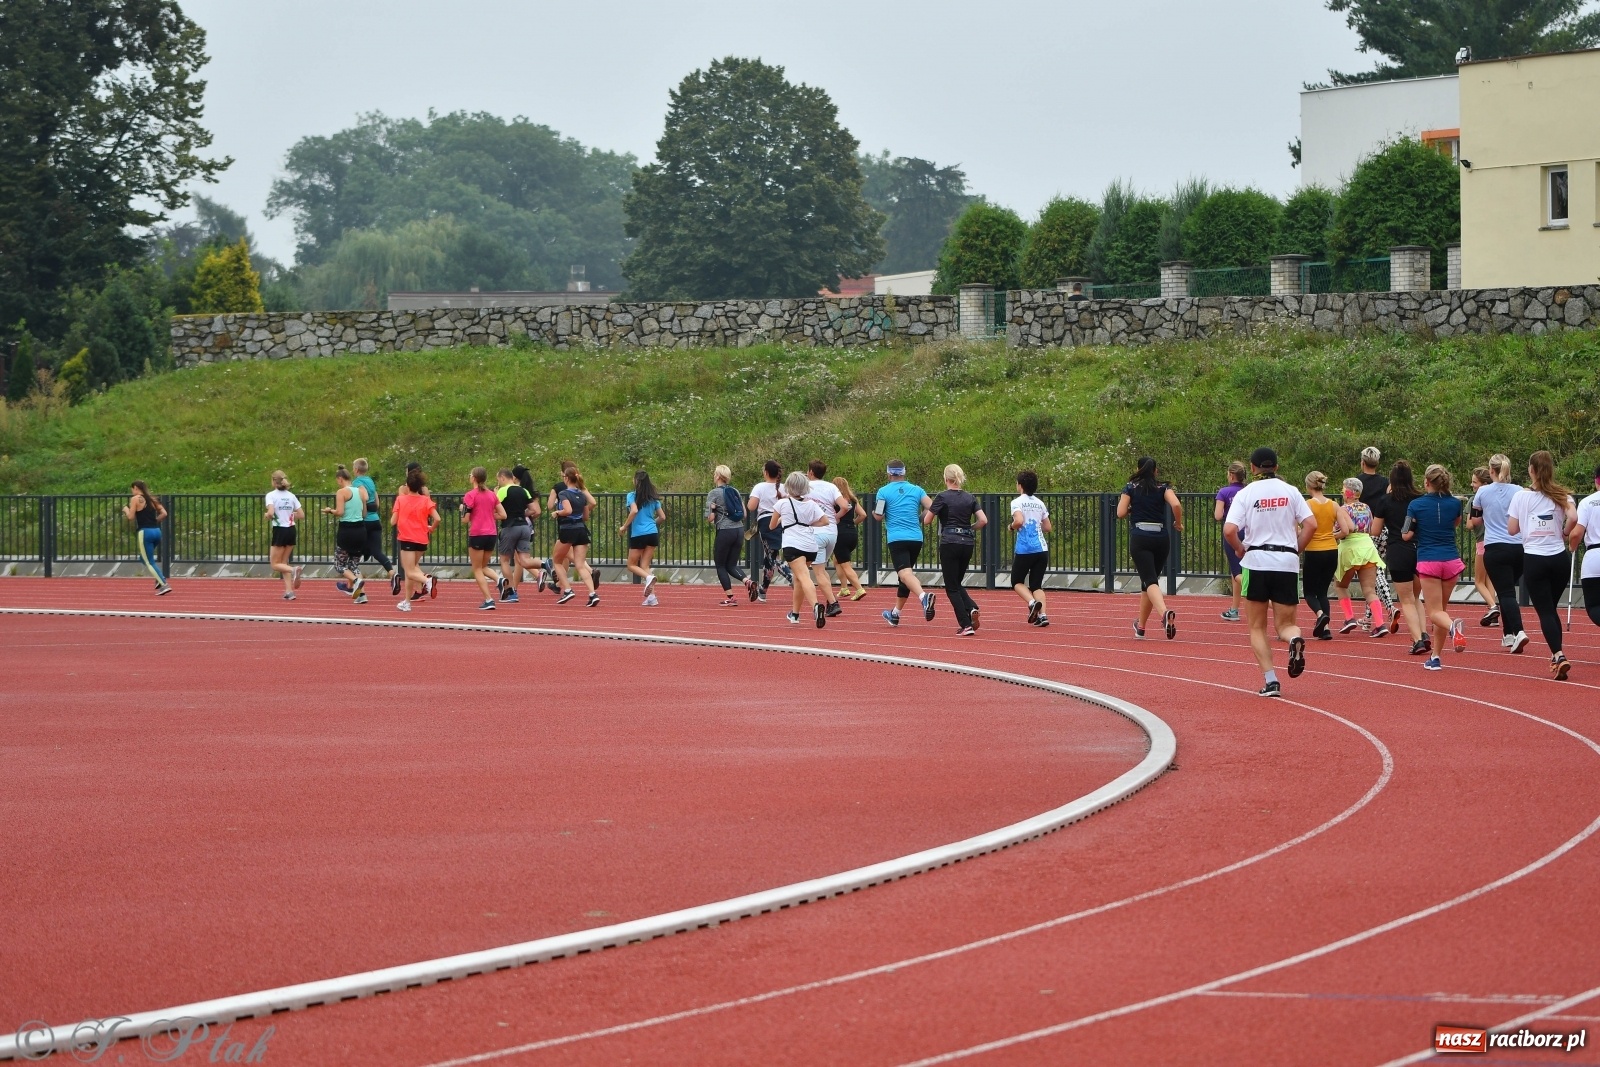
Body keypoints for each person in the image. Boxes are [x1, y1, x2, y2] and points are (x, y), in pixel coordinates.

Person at [1223, 447, 1316, 698]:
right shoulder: (1291, 491)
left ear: (1252, 468)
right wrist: (1296, 549)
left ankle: (1271, 680)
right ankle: (1294, 639)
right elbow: (1311, 524)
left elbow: (1230, 529)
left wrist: (1240, 550)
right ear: (1276, 466)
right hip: (1285, 561)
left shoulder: (1247, 493)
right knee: (1286, 625)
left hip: (1256, 562)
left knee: (1256, 627)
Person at [1507, 450, 1578, 680]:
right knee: (1550, 609)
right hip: (1559, 559)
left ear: (1531, 470)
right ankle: (1558, 657)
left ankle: (1558, 655)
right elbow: (1574, 518)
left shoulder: (1521, 497)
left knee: (1545, 611)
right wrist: (1564, 532)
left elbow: (1512, 529)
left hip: (1535, 559)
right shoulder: (1562, 495)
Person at [1404, 464, 1467, 671]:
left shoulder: (1416, 504)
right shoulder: (1455, 504)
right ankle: (1436, 656)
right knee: (1442, 611)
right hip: (1450, 560)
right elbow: (1456, 524)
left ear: (1427, 482)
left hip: (1429, 561)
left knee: (1434, 612)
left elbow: (1406, 533)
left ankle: (1453, 628)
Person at [1117, 457, 1183, 640]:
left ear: (1138, 469)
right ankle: (1141, 627)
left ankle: (1164, 613)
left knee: (1150, 580)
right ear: (1156, 471)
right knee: (1148, 582)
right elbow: (1176, 504)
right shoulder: (1163, 487)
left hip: (1141, 536)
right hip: (1161, 538)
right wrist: (1178, 522)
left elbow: (1120, 513)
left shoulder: (1131, 487)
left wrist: (1132, 509)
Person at [1472, 453, 1529, 653]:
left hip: (1496, 547)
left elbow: (1476, 521)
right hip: (1519, 547)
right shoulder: (1520, 491)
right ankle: (1508, 634)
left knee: (1505, 593)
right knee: (1507, 592)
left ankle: (1519, 631)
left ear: (1491, 471)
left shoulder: (1483, 492)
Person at [1370, 460, 1428, 654]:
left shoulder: (1385, 501)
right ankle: (1424, 632)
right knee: (1417, 596)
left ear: (1392, 480)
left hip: (1398, 551)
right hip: (1421, 550)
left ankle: (1418, 640)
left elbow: (1375, 531)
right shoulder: (1420, 498)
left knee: (1407, 600)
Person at [872, 460, 935, 627]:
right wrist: (921, 518)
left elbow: (878, 516)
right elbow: (932, 506)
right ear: (903, 472)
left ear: (889, 473)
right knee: (905, 577)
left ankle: (924, 597)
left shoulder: (883, 492)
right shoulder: (916, 489)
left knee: (905, 574)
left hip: (897, 538)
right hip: (916, 537)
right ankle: (895, 614)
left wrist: (875, 512)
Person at [928, 464, 987, 636]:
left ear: (946, 479)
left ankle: (966, 624)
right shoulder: (970, 497)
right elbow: (983, 520)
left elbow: (927, 520)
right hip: (967, 543)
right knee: (956, 582)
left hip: (949, 542)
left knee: (951, 587)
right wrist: (970, 527)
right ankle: (971, 607)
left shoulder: (942, 497)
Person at [769, 470, 830, 627]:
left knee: (803, 577)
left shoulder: (782, 503)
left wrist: (783, 518)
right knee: (798, 579)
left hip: (792, 545)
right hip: (810, 546)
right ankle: (795, 614)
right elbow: (825, 521)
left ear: (788, 487)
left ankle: (816, 606)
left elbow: (772, 525)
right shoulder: (811, 504)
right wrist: (809, 523)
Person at [1333, 476, 1389, 638]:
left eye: (1343, 489)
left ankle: (1349, 618)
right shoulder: (1367, 507)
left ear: (1350, 492)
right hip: (1368, 547)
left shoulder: (1343, 509)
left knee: (1341, 586)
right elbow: (1371, 527)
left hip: (1350, 548)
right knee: (1369, 590)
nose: (1342, 492)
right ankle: (1379, 624)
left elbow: (1341, 530)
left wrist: (1330, 536)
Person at [1357, 445, 1399, 624]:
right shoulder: (1384, 483)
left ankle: (1390, 607)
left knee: (1373, 572)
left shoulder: (1357, 482)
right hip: (1384, 529)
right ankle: (1368, 617)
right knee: (1373, 573)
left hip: (1366, 532)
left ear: (1362, 462)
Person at [391, 466, 440, 611]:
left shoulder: (401, 499)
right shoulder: (425, 500)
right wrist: (431, 528)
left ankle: (427, 580)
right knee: (410, 571)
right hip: (422, 540)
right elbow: (437, 518)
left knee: (409, 570)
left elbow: (393, 521)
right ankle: (406, 601)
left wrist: (398, 515)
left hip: (407, 538)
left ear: (407, 485)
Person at [1300, 472, 1340, 640]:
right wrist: (1329, 537)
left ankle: (1320, 614)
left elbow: (1303, 528)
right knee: (1322, 592)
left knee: (1309, 592)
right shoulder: (1334, 504)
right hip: (1331, 550)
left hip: (1313, 550)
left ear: (1309, 486)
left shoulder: (1307, 504)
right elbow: (1345, 530)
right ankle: (1326, 629)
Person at [320, 466, 369, 604]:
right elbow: (364, 513)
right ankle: (362, 595)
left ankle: (356, 581)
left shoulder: (342, 492)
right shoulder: (360, 491)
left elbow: (340, 512)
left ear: (340, 479)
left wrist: (330, 511)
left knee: (339, 565)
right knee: (354, 565)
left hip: (347, 530)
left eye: (338, 481)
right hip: (361, 530)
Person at [494, 466, 542, 604]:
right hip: (524, 527)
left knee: (504, 560)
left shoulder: (503, 490)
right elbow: (535, 510)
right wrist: (522, 514)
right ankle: (545, 564)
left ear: (503, 478)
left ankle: (511, 592)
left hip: (510, 527)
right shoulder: (524, 490)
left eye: (499, 480)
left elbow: (494, 508)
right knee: (524, 560)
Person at [1010, 470, 1052, 627]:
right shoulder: (1039, 503)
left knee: (1016, 581)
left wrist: (1011, 526)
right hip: (1041, 548)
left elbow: (1019, 520)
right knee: (1036, 585)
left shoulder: (1016, 502)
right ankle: (1043, 616)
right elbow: (1048, 527)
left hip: (1025, 549)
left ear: (1020, 486)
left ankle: (1032, 602)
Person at [706, 465, 752, 606]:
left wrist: (713, 510)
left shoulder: (713, 493)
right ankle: (748, 582)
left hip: (725, 531)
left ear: (718, 476)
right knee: (731, 564)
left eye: (715, 474)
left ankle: (731, 598)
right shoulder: (735, 491)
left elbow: (710, 518)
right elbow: (744, 514)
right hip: (738, 530)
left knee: (720, 565)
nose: (714, 476)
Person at [553, 465, 599, 607]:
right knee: (580, 565)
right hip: (581, 530)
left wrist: (557, 513)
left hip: (568, 529)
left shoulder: (564, 494)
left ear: (566, 478)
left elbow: (568, 510)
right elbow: (585, 516)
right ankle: (593, 594)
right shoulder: (582, 494)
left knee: (557, 561)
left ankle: (568, 589)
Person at [461, 466, 505, 611]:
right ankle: (499, 580)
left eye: (469, 475)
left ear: (473, 478)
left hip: (477, 533)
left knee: (477, 569)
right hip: (491, 534)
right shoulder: (492, 495)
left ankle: (489, 599)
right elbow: (503, 515)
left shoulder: (470, 495)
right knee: (483, 566)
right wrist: (488, 515)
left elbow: (465, 519)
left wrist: (462, 511)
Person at [621, 470, 666, 606]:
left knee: (631, 565)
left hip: (639, 534)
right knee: (645, 565)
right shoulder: (653, 498)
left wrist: (624, 526)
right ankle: (652, 597)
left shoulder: (631, 495)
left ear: (636, 481)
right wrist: (652, 524)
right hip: (652, 533)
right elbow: (662, 517)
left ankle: (648, 577)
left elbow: (634, 511)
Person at [805, 460, 843, 618]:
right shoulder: (831, 486)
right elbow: (845, 505)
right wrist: (836, 517)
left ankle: (833, 603)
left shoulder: (806, 487)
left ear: (811, 472)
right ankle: (830, 601)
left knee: (818, 572)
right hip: (832, 533)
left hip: (816, 532)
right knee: (822, 569)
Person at [350, 458, 394, 589]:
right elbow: (376, 498)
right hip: (375, 520)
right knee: (376, 551)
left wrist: (362, 512)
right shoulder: (370, 481)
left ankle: (354, 582)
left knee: (353, 552)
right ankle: (392, 572)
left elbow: (364, 498)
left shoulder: (357, 482)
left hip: (364, 521)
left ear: (356, 470)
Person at [123, 481, 172, 596]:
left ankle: (164, 584)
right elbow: (164, 513)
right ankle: (159, 578)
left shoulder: (136, 499)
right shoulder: (151, 499)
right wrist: (155, 521)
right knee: (143, 558)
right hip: (156, 531)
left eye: (132, 489)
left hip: (145, 532)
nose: (132, 491)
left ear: (135, 488)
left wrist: (125, 509)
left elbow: (131, 517)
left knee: (149, 562)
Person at [747, 460, 786, 602]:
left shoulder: (760, 487)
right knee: (770, 556)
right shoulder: (784, 487)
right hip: (782, 521)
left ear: (766, 472)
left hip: (766, 521)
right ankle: (763, 590)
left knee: (773, 557)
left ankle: (791, 577)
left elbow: (751, 506)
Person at [1568, 462, 1600, 630]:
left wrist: (1572, 546)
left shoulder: (1588, 502)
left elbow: (1576, 533)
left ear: (1597, 481)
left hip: (1594, 556)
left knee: (1594, 605)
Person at [1214, 461, 1247, 621]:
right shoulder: (1249, 491)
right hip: (1249, 532)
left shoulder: (1224, 492)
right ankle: (1234, 609)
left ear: (1231, 475)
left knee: (1237, 572)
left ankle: (1264, 597)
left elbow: (1218, 515)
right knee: (1238, 572)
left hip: (1232, 532)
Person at [264, 470, 304, 601]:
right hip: (291, 530)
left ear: (274, 482)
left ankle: (294, 570)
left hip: (280, 530)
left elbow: (270, 512)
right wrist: (290, 515)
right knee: (283, 562)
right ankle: (289, 591)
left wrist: (267, 515)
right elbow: (301, 515)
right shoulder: (291, 496)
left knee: (274, 564)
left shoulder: (271, 495)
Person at [1467, 467, 1499, 619]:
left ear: (1483, 483)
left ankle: (1493, 606)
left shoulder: (1475, 499)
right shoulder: (1495, 497)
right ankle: (1492, 612)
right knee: (1489, 578)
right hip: (1495, 541)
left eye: (1474, 482)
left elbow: (1470, 525)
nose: (1472, 485)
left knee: (1478, 581)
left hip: (1482, 542)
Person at [831, 476, 868, 601]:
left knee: (845, 564)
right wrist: (853, 522)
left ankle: (859, 588)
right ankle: (844, 588)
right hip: (852, 533)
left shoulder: (835, 501)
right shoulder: (852, 500)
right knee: (837, 560)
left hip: (840, 534)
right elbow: (863, 515)